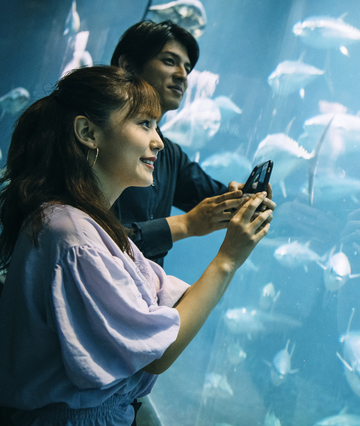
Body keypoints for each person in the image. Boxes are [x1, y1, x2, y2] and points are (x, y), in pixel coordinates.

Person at [0, 66, 273, 425]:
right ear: (88, 132)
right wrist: (228, 259)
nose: (158, 140)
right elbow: (155, 352)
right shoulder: (74, 237)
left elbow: (156, 304)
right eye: (144, 124)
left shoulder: (84, 223)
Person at [110, 20, 273, 266]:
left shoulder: (170, 154)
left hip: (143, 298)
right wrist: (186, 224)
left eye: (187, 68)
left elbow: (214, 199)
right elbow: (93, 243)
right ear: (128, 66)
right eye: (169, 61)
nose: (183, 75)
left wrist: (245, 200)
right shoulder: (100, 138)